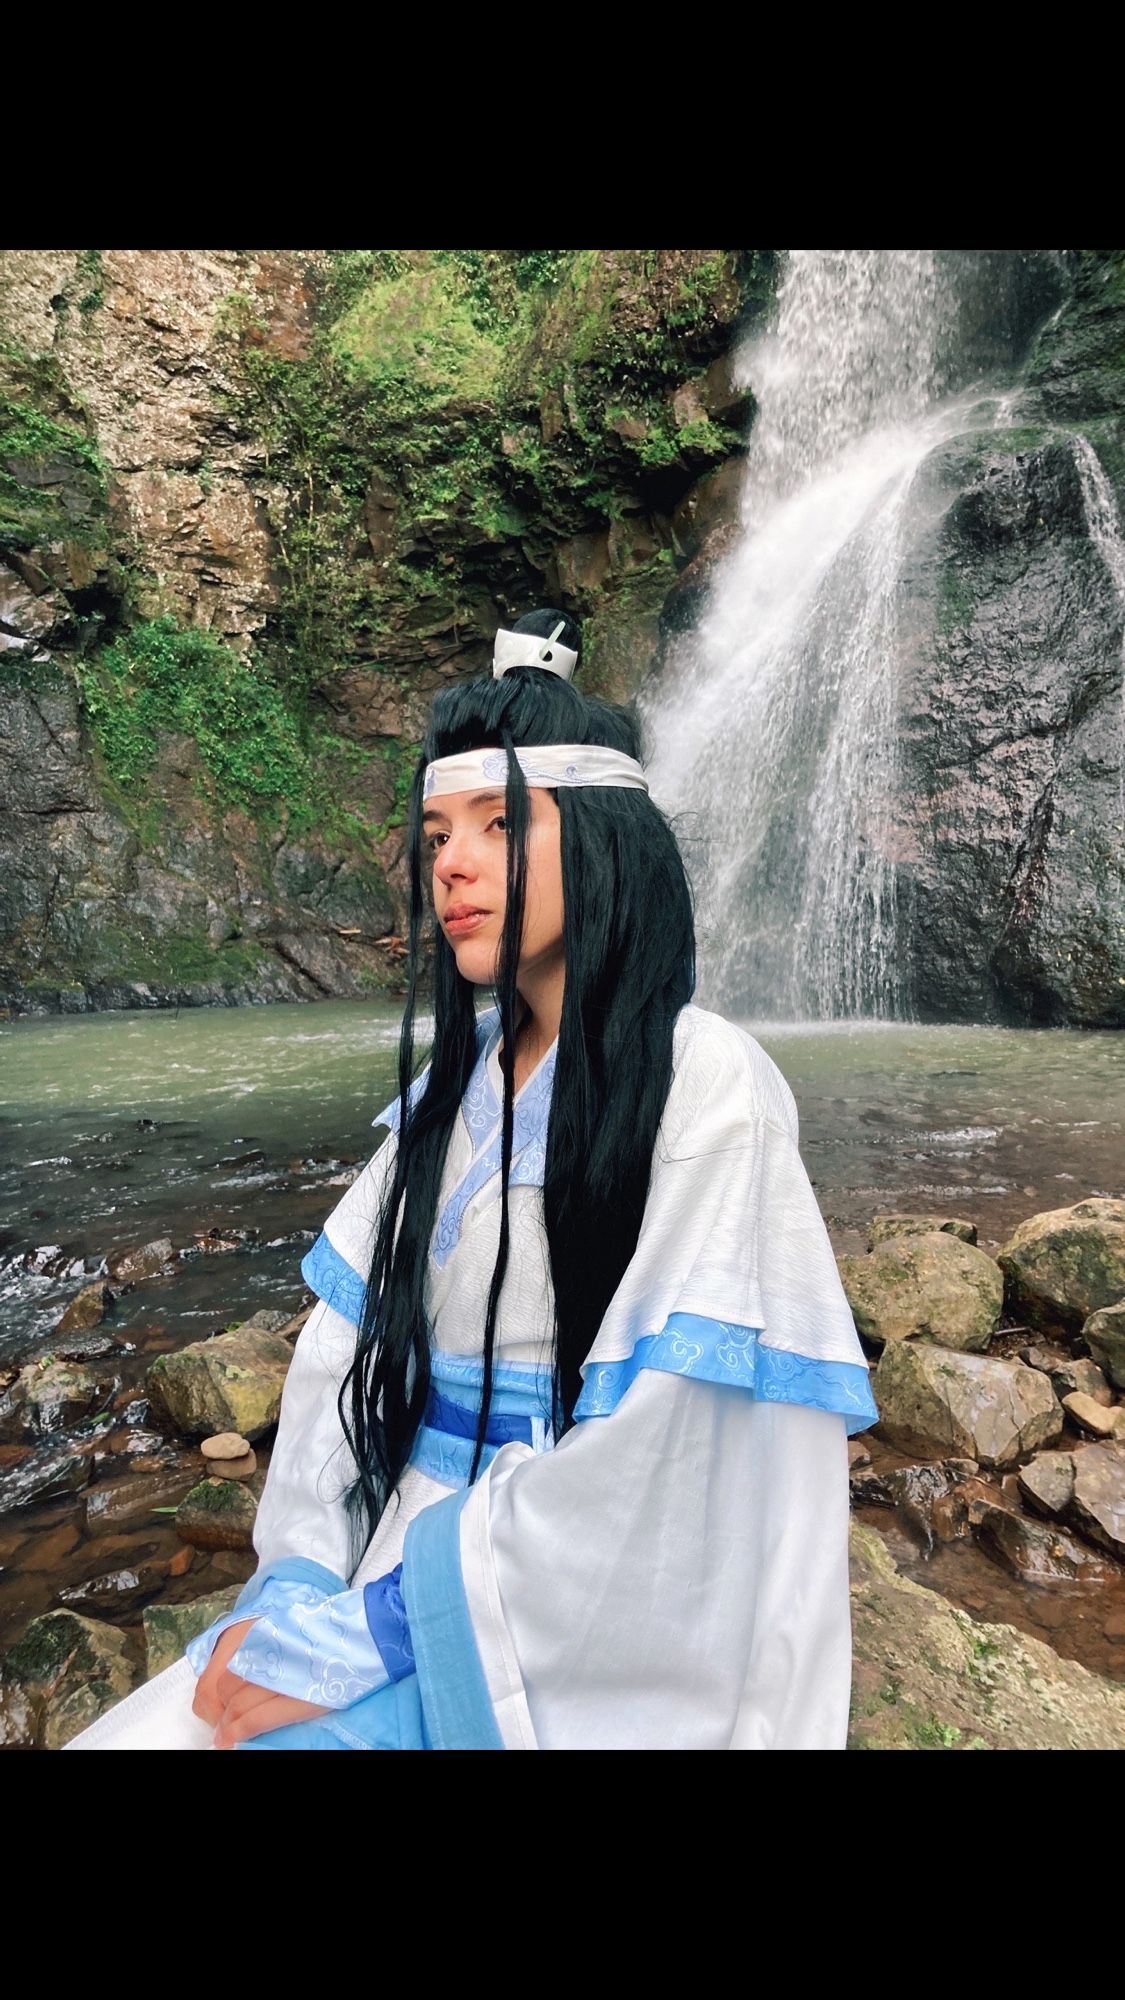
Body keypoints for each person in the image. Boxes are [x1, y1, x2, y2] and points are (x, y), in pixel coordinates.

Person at [67, 608, 877, 1752]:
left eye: (498, 823)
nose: (449, 861)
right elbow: (337, 1363)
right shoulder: (450, 1098)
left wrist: (391, 1628)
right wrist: (301, 1581)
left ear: (597, 843)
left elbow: (668, 1453)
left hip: (591, 1623)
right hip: (417, 1554)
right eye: (437, 828)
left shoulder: (710, 1088)